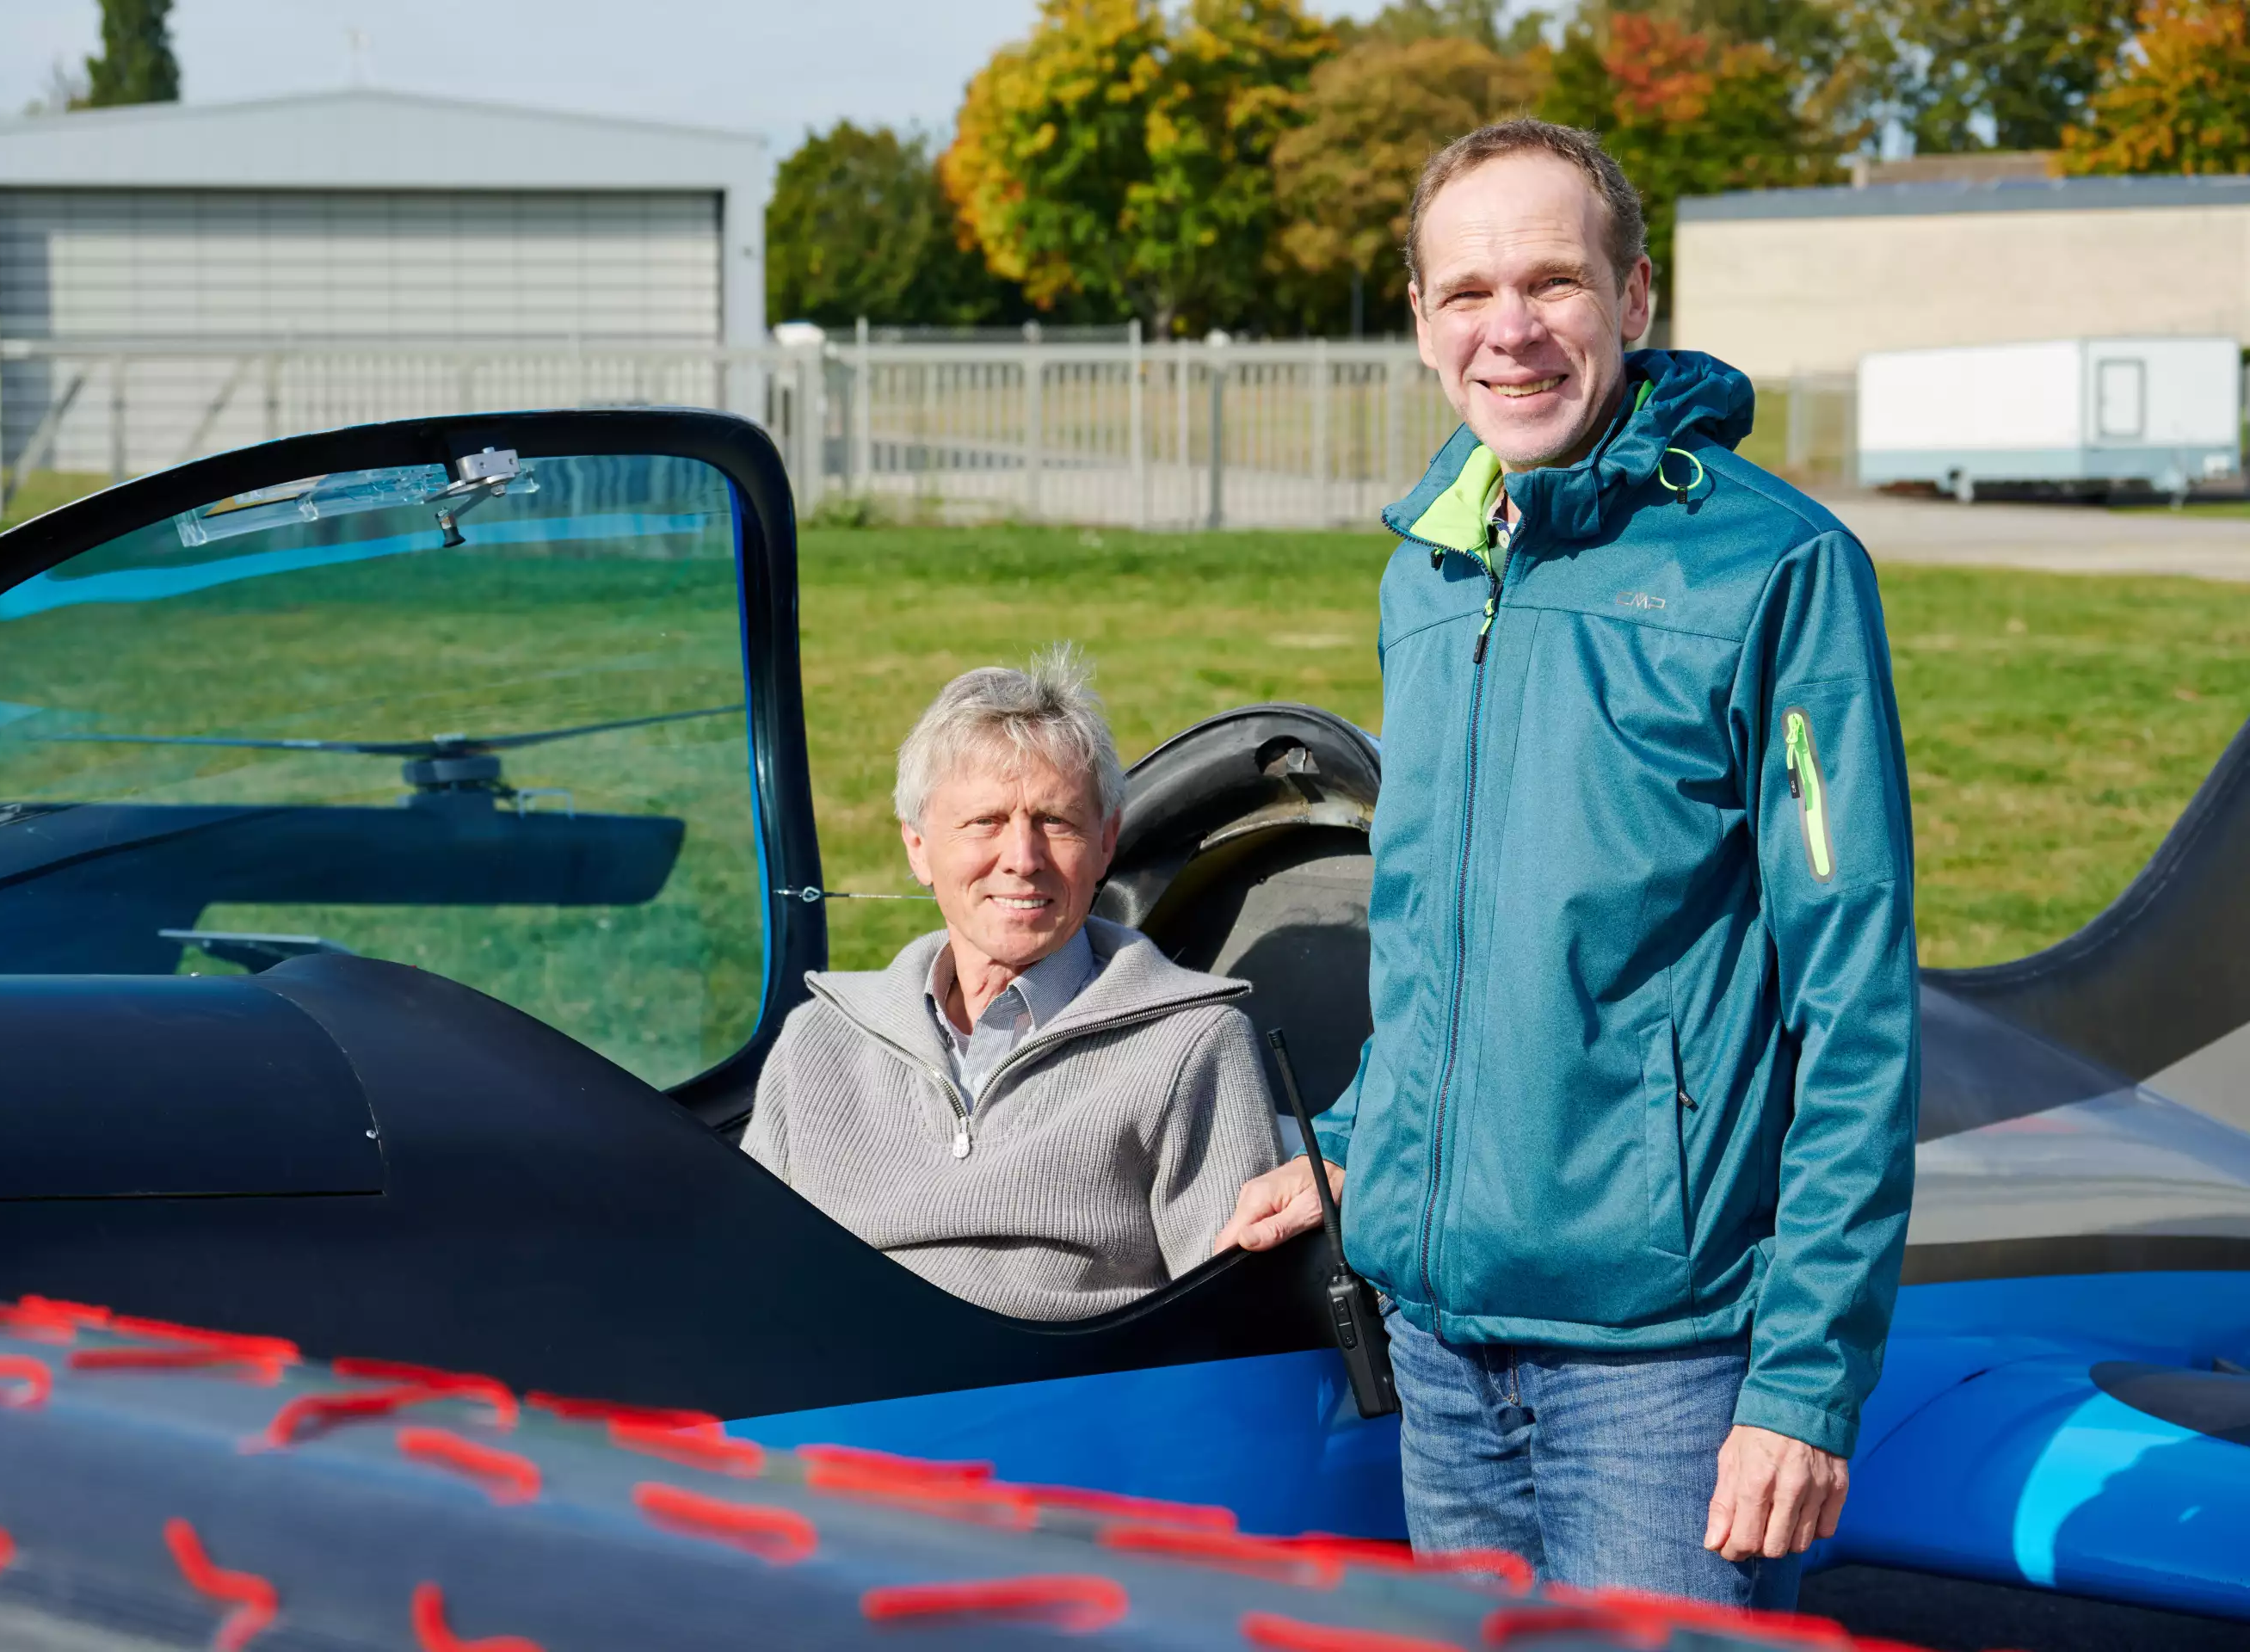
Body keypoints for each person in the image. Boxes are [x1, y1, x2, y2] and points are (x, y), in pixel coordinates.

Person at [1215, 120, 1918, 1610]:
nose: (1511, 329)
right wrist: (1363, 1141)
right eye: (1467, 292)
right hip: (1439, 1354)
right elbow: (1439, 931)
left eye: (1553, 281)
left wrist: (1803, 1384)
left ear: (1636, 300)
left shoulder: (1775, 573)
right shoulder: (1429, 568)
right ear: (1419, 322)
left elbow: (1853, 1005)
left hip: (1661, 1373)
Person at [743, 647, 1279, 1321]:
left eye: (1055, 822)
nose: (1022, 860)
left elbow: (1232, 1328)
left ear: (1107, 842)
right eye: (985, 823)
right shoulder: (818, 1041)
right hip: (837, 1401)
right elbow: (745, 1279)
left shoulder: (1191, 1045)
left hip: (1070, 1406)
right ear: (917, 847)